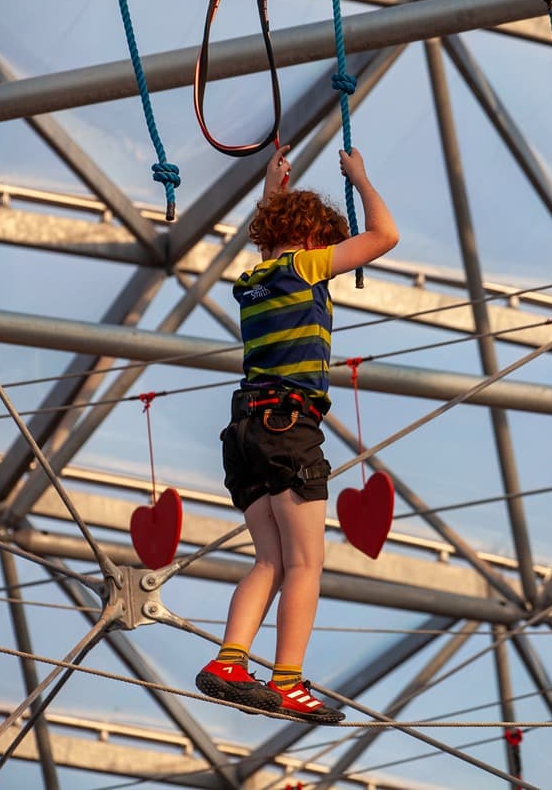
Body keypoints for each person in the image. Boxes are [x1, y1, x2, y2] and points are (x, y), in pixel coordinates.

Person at [195, 145, 399, 723]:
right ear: (315, 243)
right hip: (288, 429)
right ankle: (288, 679)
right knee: (306, 562)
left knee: (270, 560)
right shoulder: (305, 267)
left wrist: (272, 192)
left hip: (244, 435)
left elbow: (271, 237)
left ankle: (230, 661)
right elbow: (384, 236)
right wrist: (360, 177)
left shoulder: (254, 280)